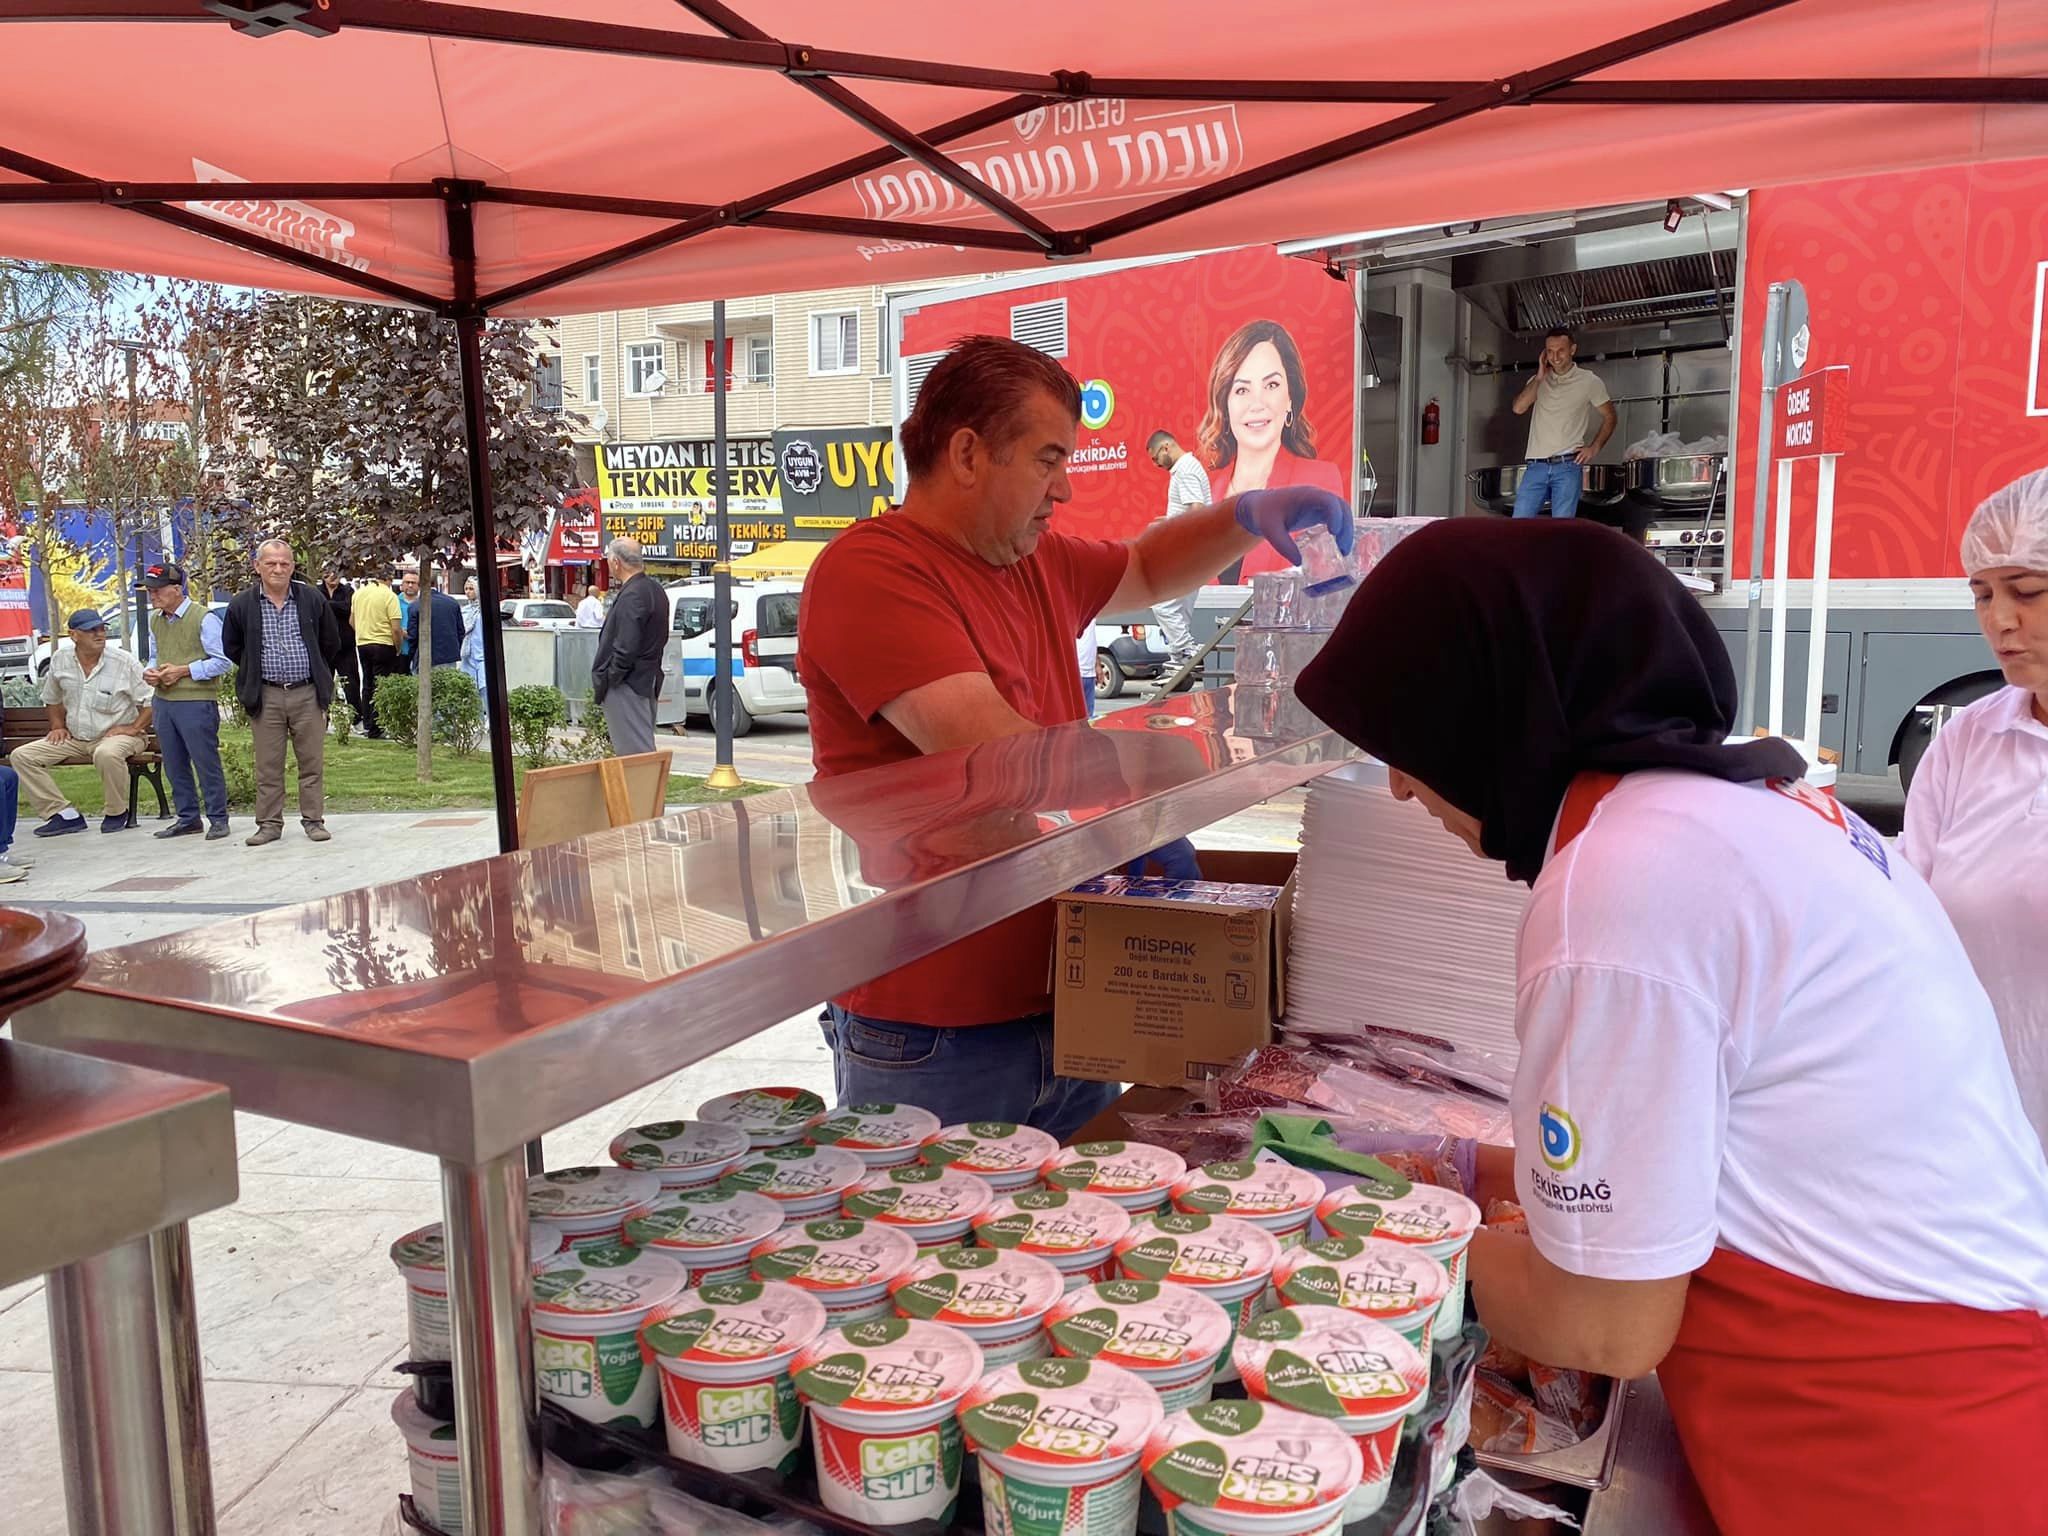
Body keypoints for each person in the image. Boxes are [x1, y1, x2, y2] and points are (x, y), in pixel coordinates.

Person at [1294, 519, 2048, 1535]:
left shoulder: (1621, 883)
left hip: (1894, 1445)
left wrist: (1352, 1246)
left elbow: (1600, 1321)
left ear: (1487, 711)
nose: (1396, 783)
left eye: (1407, 739)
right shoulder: (1745, 807)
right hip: (1947, 1396)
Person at [799, 334, 1352, 1137]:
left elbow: (1147, 567)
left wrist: (1244, 515)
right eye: (1048, 459)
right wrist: (1162, 784)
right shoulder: (875, 573)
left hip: (1069, 1003)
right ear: (966, 454)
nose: (1063, 488)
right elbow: (1000, 757)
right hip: (935, 1025)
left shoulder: (1030, 558)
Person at [1902, 467, 2048, 1147]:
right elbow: (1907, 909)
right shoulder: (1970, 739)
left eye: (2028, 592)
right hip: (1981, 1127)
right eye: (1983, 594)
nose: (2000, 620)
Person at [1198, 319, 1346, 582]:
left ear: (1290, 398)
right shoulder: (1203, 494)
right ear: (1226, 404)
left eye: (1271, 385)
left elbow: (1324, 586)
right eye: (1242, 389)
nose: (1257, 403)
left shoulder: (1318, 482)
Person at [222, 538, 346, 846]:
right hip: (267, 695)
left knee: (311, 762)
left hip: (306, 693)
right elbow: (233, 647)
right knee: (268, 765)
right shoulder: (242, 604)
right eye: (271, 563)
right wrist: (255, 672)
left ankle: (314, 821)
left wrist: (318, 675)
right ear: (257, 567)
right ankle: (268, 824)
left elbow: (331, 643)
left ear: (293, 567)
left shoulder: (312, 599)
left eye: (284, 563)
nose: (278, 569)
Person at [12, 607, 152, 836]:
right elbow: (52, 698)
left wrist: (134, 728)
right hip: (76, 738)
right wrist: (57, 726)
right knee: (22, 756)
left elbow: (151, 700)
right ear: (74, 635)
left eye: (101, 629)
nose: (100, 635)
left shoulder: (123, 662)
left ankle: (117, 811)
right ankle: (64, 815)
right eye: (91, 631)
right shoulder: (61, 659)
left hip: (119, 737)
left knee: (107, 753)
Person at [140, 561, 231, 840]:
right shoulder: (156, 620)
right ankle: (188, 817)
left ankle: (218, 818)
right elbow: (156, 653)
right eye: (149, 591)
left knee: (205, 761)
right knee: (173, 762)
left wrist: (184, 670)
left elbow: (223, 661)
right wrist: (152, 671)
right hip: (164, 701)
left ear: (177, 589)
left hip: (196, 700)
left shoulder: (203, 618)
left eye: (157, 590)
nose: (152, 596)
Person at [1509, 328, 1616, 520]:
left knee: (1562, 530)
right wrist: (1540, 376)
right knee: (1518, 527)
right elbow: (1518, 408)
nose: (1555, 356)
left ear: (1573, 349)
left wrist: (1594, 448)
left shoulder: (1589, 381)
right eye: (1550, 351)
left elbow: (1610, 416)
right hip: (1535, 466)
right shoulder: (1537, 380)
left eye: (1561, 350)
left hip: (1567, 466)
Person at [589, 537, 667, 756]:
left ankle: (641, 791)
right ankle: (643, 790)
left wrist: (611, 677)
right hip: (645, 679)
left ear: (616, 563)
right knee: (640, 752)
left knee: (635, 756)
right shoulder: (655, 590)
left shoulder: (633, 594)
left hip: (628, 684)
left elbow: (626, 646)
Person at [1145, 429, 1213, 669]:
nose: (1155, 464)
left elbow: (1197, 509)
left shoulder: (1185, 469)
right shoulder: (1188, 468)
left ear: (1165, 447)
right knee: (1178, 607)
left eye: (1155, 458)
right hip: (1197, 552)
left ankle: (1186, 649)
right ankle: (1179, 657)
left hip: (1190, 551)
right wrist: (1168, 523)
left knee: (1161, 602)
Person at [351, 569, 402, 738]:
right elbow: (395, 628)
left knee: (367, 684)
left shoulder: (359, 593)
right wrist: (398, 647)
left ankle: (367, 724)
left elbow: (352, 620)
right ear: (389, 578)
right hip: (383, 643)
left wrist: (363, 632)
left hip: (363, 643)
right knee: (380, 686)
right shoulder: (389, 596)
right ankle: (376, 728)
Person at [322, 567, 362, 729]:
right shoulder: (316, 591)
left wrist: (327, 605)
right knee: (323, 684)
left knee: (351, 683)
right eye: (329, 573)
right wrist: (334, 606)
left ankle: (357, 720)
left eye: (336, 573)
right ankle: (323, 720)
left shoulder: (348, 591)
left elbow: (348, 608)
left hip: (345, 646)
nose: (333, 576)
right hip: (324, 647)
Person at [405, 573, 464, 670]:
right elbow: (460, 631)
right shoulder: (452, 602)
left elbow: (413, 636)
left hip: (424, 656)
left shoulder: (415, 606)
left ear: (419, 584)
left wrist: (411, 656)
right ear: (436, 583)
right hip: (449, 656)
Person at [459, 576, 489, 716]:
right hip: (467, 654)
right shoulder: (464, 610)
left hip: (483, 654)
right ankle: (478, 720)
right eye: (466, 589)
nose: (468, 592)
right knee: (470, 689)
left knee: (485, 688)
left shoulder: (486, 610)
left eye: (471, 589)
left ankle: (490, 717)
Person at [397, 569, 419, 671]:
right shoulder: (394, 601)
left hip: (418, 652)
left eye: (413, 583)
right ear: (402, 585)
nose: (410, 585)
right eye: (407, 582)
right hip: (399, 651)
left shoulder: (424, 603)